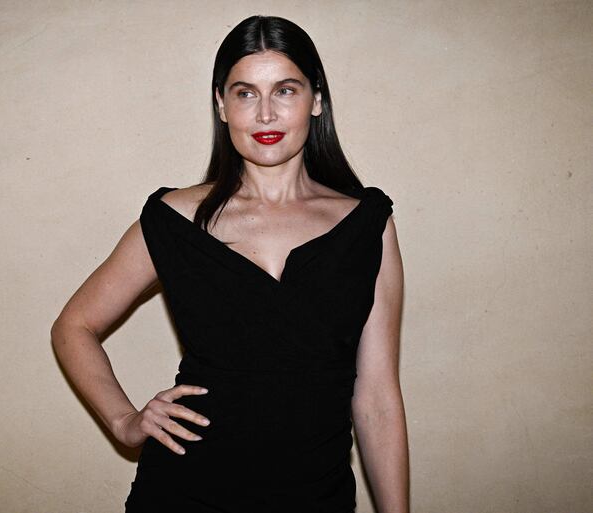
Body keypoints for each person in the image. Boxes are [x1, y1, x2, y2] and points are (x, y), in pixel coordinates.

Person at [51, 14, 409, 513]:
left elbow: (376, 398)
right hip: (183, 492)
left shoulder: (368, 226)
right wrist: (124, 421)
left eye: (285, 90)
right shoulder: (174, 219)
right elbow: (74, 325)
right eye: (245, 93)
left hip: (315, 495)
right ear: (221, 105)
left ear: (317, 100)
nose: (265, 113)